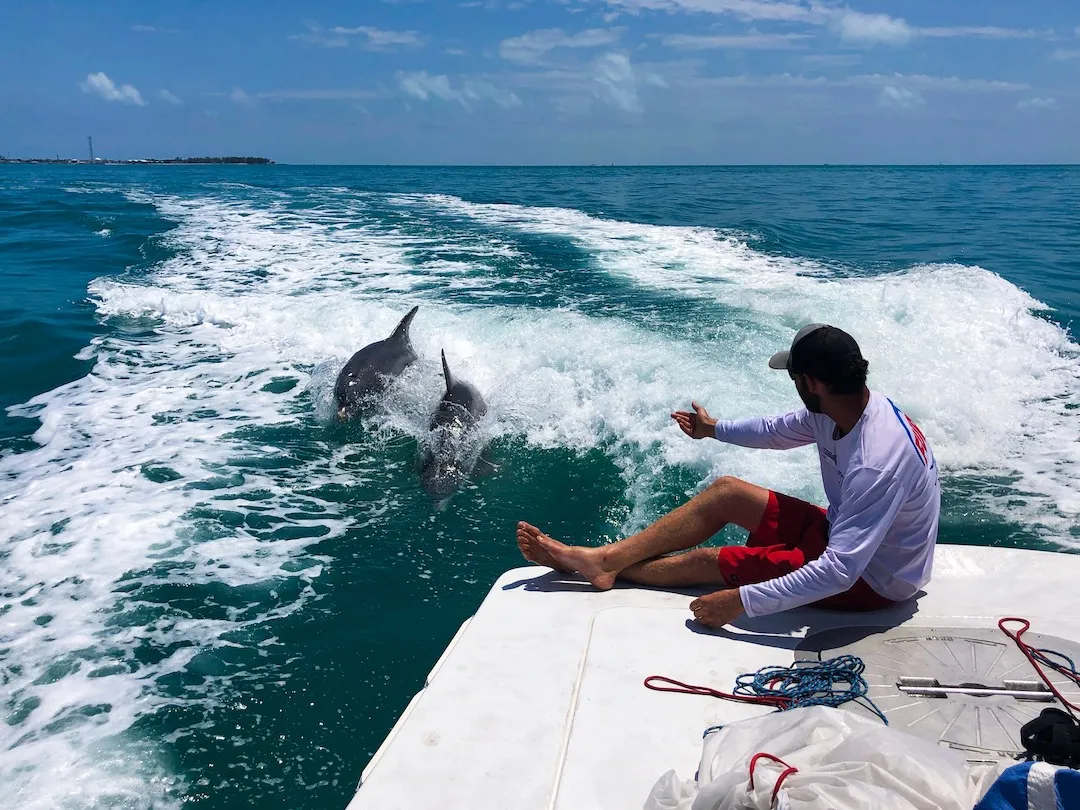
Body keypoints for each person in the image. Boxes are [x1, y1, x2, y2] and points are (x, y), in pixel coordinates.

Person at [516, 323, 940, 629]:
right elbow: (775, 430)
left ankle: (600, 566)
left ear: (812, 382)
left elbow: (839, 572)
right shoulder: (844, 407)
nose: (792, 385)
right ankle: (603, 562)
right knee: (727, 493)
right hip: (844, 534)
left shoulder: (876, 460)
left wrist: (742, 601)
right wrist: (711, 428)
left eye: (793, 377)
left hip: (874, 580)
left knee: (709, 562)